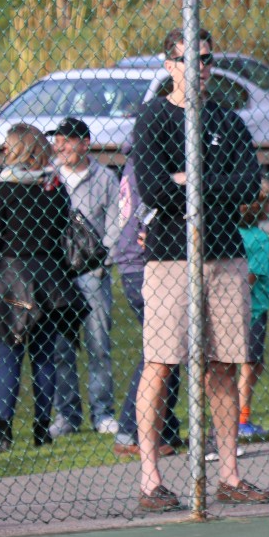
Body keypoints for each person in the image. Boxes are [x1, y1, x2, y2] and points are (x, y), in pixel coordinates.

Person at [130, 27, 269, 512]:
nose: (202, 68)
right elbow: (154, 190)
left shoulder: (227, 120)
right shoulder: (152, 118)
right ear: (170, 64)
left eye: (209, 60)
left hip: (224, 255)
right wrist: (203, 185)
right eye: (191, 60)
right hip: (171, 257)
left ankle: (229, 474)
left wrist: (192, 180)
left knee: (223, 366)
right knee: (161, 364)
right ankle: (151, 478)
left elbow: (248, 183)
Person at [0, 123, 87, 452]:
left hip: (13, 278)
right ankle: (41, 427)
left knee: (9, 355)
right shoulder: (53, 185)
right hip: (51, 279)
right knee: (44, 357)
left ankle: (3, 432)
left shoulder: (5, 188)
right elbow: (64, 233)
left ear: (16, 150)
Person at [48, 117, 122, 439]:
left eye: (68, 140)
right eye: (57, 140)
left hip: (92, 274)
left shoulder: (105, 178)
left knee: (98, 346)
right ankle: (66, 414)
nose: (60, 146)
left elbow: (116, 223)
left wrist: (101, 261)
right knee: (60, 348)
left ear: (85, 143)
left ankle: (102, 412)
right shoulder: (48, 178)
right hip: (57, 276)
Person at [110, 132, 182, 459]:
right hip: (143, 263)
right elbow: (147, 210)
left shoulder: (134, 159)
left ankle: (163, 426)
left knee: (168, 348)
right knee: (161, 350)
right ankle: (133, 430)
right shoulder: (148, 162)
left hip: (134, 263)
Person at [237, 179, 269, 437]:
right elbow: (251, 276)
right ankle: (241, 420)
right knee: (251, 364)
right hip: (253, 311)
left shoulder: (232, 233)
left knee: (245, 364)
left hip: (240, 310)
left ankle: (238, 419)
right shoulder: (259, 239)